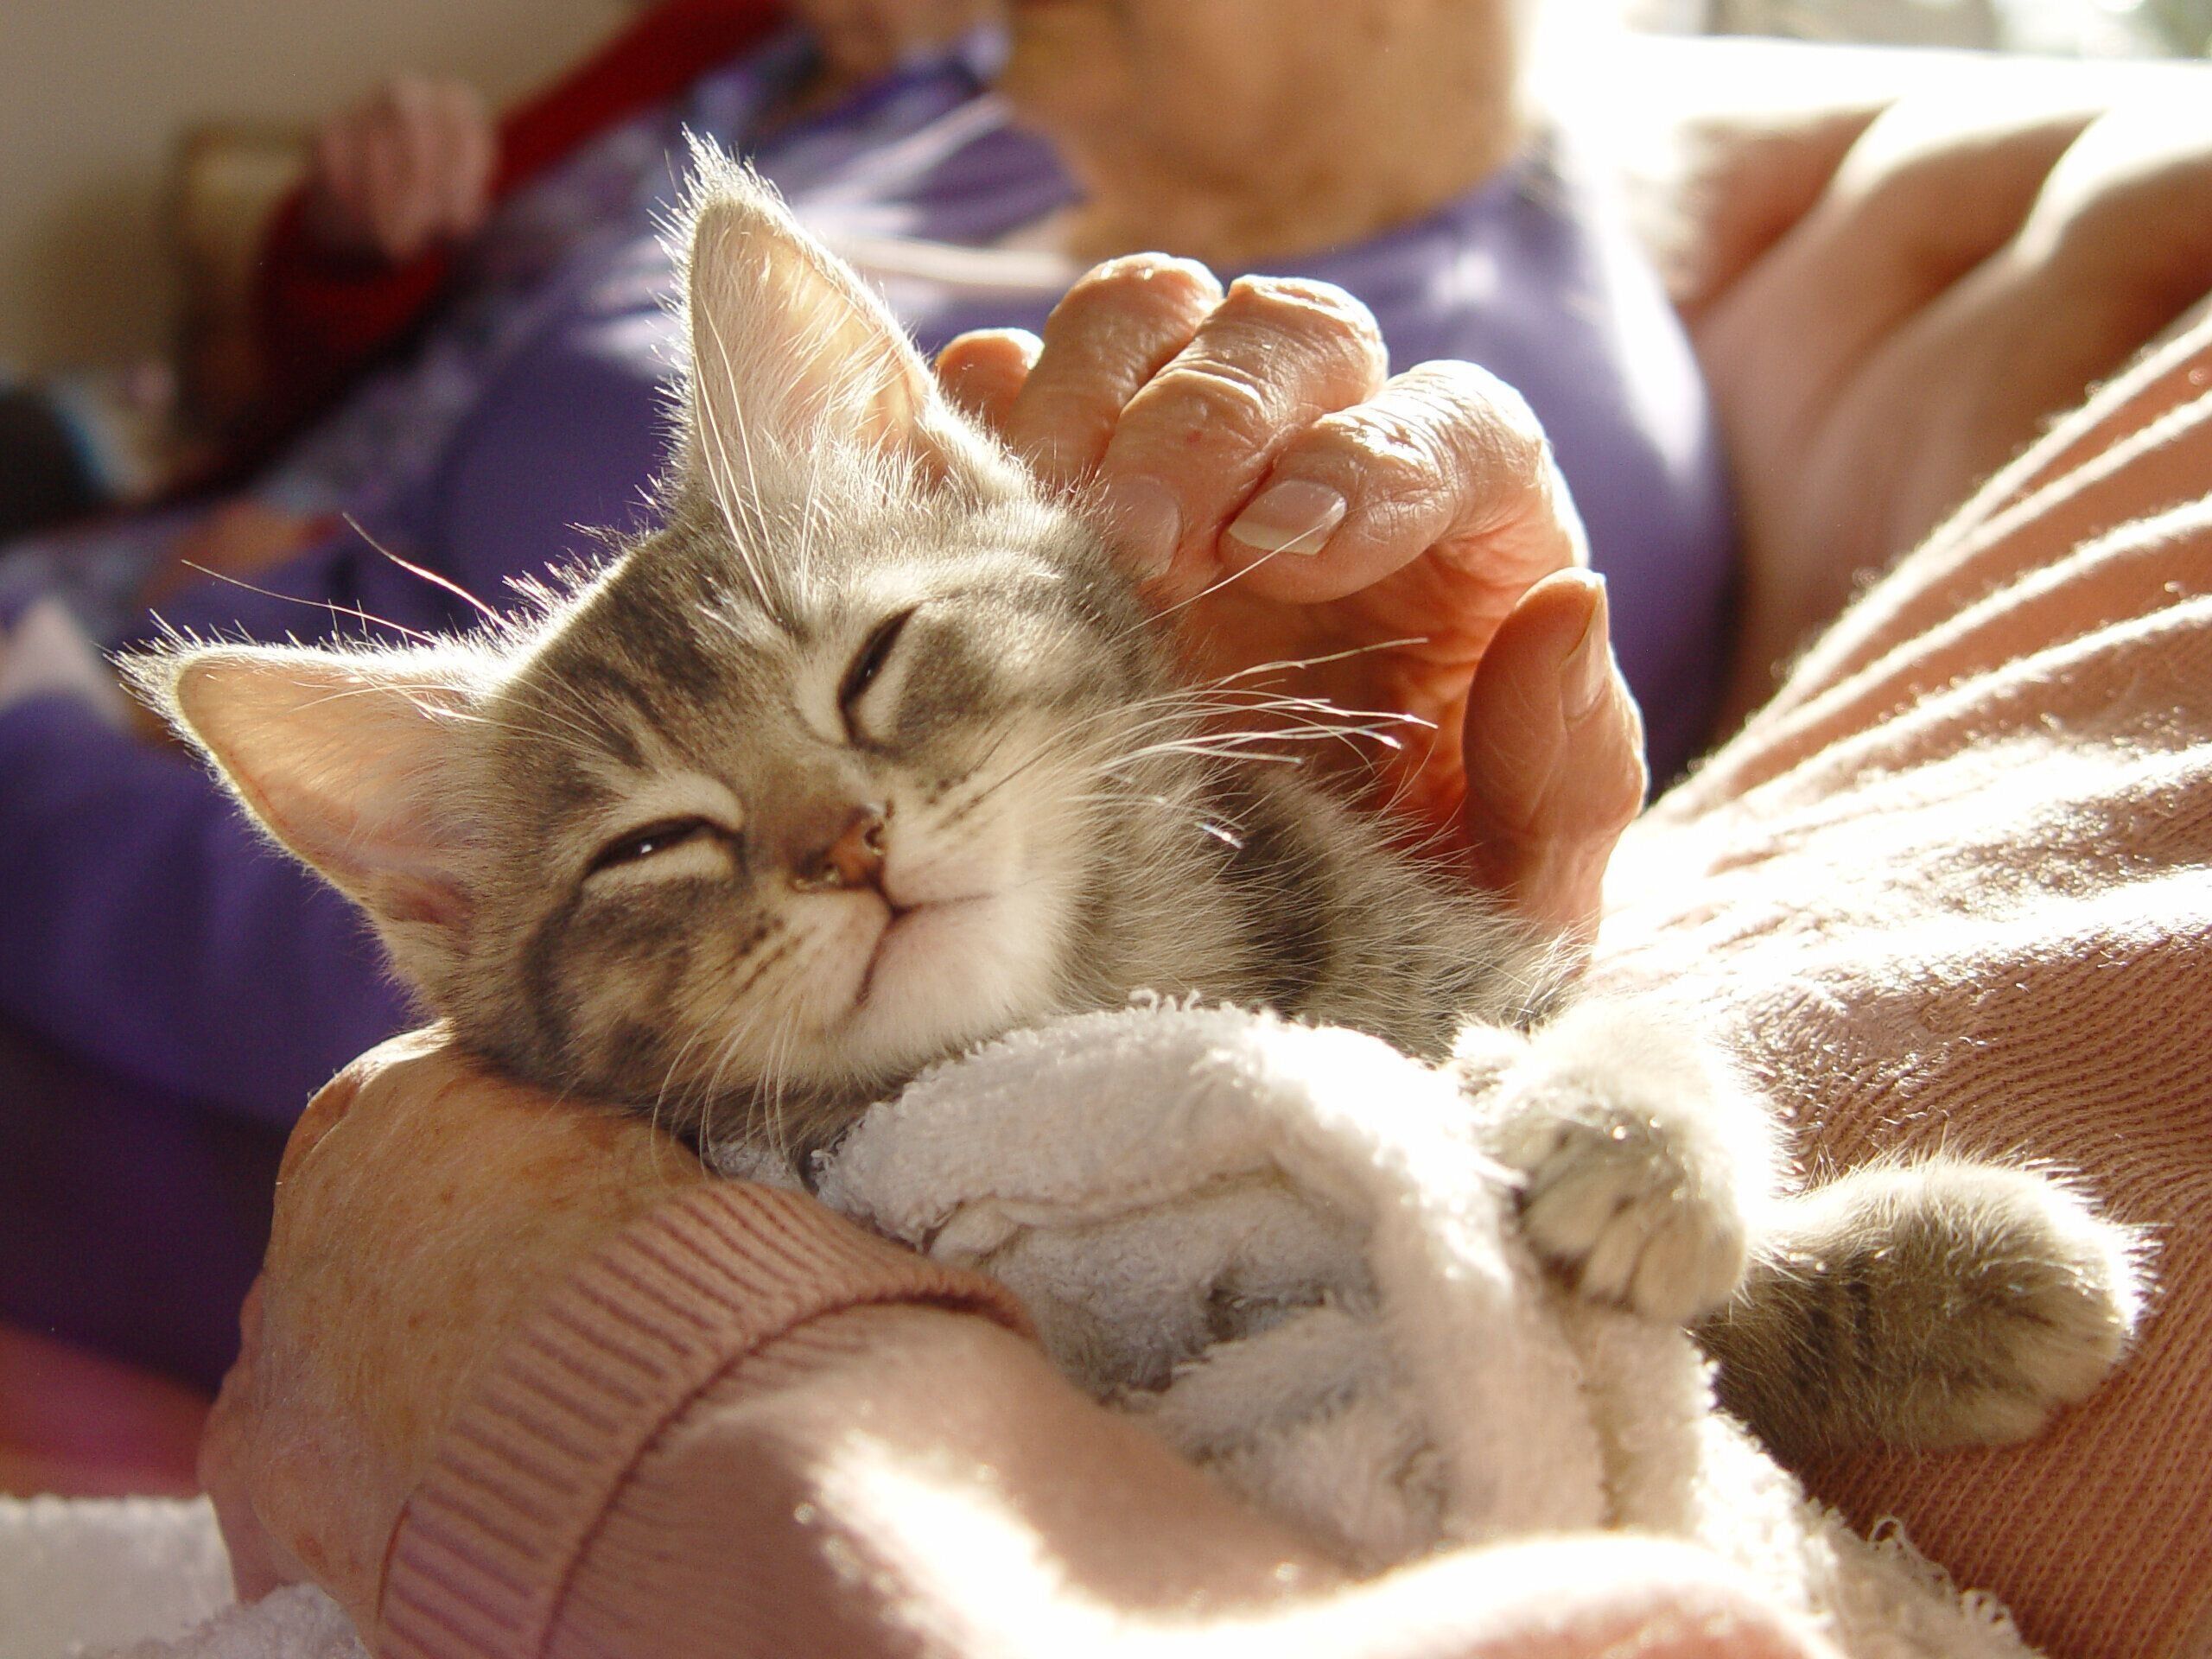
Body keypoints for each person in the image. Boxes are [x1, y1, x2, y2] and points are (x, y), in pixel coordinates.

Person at [200, 282, 2212, 1659]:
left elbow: (1552, 1049)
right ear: (454, 917)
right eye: (653, 848)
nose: (838, 838)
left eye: (885, 670)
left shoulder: (1290, 871)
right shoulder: (725, 1172)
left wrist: (1703, 1203)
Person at [0, 0, 1721, 1390]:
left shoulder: (1474, 369)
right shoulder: (918, 104)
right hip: (145, 593)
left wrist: (26, 768)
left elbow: (370, 1036)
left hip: (112, 1019)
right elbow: (463, 339)